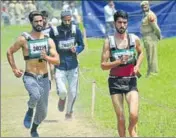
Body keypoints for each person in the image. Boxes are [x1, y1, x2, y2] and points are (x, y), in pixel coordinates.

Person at [6, 11, 60, 137]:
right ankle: (30, 109)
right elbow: (9, 52)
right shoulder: (24, 39)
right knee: (35, 95)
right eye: (36, 21)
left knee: (43, 112)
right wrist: (14, 68)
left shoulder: (48, 40)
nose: (39, 23)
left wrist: (47, 57)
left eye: (41, 21)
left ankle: (34, 129)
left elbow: (57, 60)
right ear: (31, 23)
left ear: (44, 21)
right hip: (30, 76)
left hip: (45, 78)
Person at [101, 10, 144, 137]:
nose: (122, 25)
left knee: (134, 114)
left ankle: (131, 129)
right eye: (119, 22)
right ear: (114, 23)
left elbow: (141, 52)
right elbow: (103, 65)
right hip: (115, 81)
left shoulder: (134, 39)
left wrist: (137, 66)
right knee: (121, 118)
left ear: (127, 24)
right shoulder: (109, 42)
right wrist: (118, 61)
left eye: (124, 22)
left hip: (131, 80)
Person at [49, 10, 85, 119]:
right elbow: (50, 46)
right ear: (61, 19)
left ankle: (69, 113)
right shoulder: (54, 32)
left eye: (69, 20)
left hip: (73, 66)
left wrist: (77, 49)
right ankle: (62, 98)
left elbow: (81, 45)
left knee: (73, 92)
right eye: (65, 20)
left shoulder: (76, 31)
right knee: (63, 91)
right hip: (59, 66)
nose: (68, 22)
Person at [140, 1, 161, 78]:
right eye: (142, 6)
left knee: (152, 55)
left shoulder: (150, 15)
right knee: (149, 55)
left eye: (145, 5)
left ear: (149, 6)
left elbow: (155, 27)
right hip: (146, 37)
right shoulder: (145, 15)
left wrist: (159, 35)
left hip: (150, 37)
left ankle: (153, 73)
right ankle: (149, 72)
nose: (144, 7)